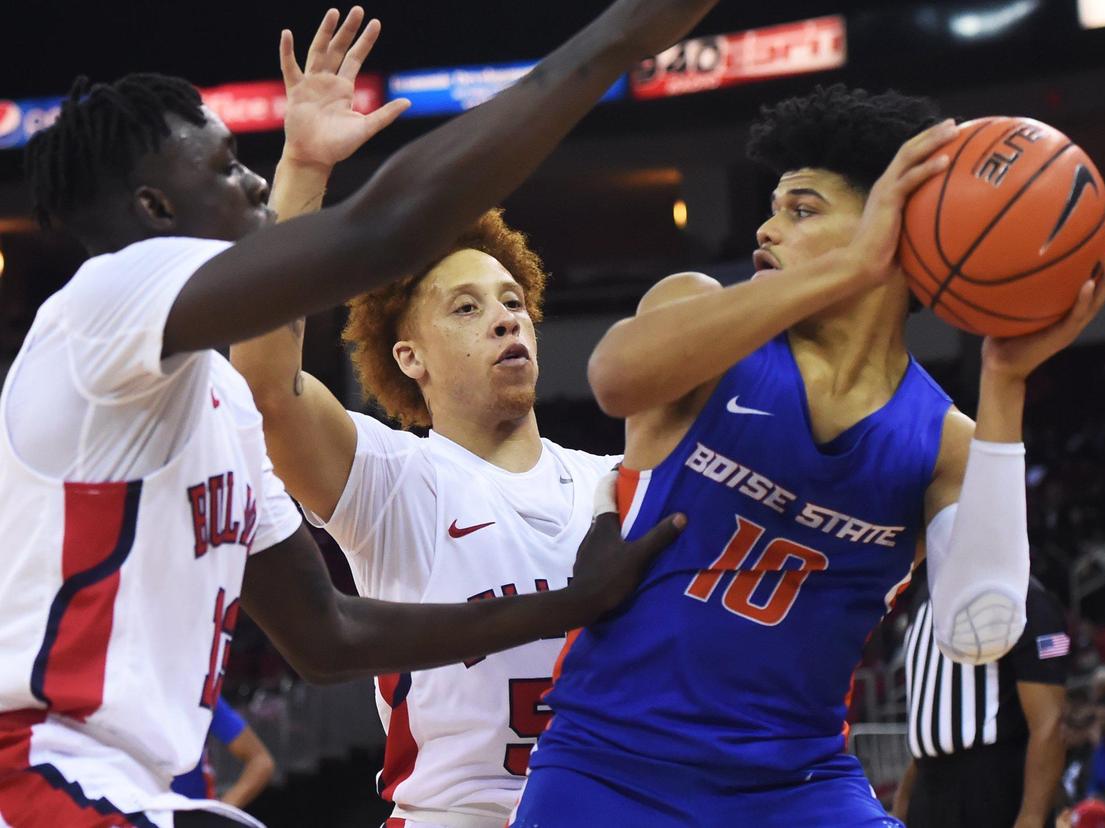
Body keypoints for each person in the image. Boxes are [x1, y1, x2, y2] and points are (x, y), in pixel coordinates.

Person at [0, 2, 718, 826]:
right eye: (228, 165)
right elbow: (382, 234)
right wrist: (618, 37)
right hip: (38, 771)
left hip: (134, 791)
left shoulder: (220, 406)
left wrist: (567, 605)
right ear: (158, 210)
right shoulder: (102, 306)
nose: (255, 181)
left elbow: (328, 635)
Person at [511, 85, 1105, 827]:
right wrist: (850, 266)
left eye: (802, 210)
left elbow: (978, 628)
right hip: (612, 763)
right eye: (774, 207)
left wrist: (1004, 383)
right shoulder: (702, 315)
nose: (767, 228)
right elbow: (613, 378)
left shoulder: (946, 440)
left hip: (796, 785)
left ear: (895, 232)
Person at [231, 205, 619, 827]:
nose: (503, 320)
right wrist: (302, 166)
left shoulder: (619, 481)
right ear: (411, 358)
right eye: (467, 308)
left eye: (513, 302)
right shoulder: (396, 479)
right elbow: (265, 391)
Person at [892, 574, 1070, 828]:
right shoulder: (924, 596)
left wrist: (1032, 817)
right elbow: (935, 723)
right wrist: (904, 799)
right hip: (927, 785)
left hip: (992, 785)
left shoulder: (1027, 597)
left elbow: (1051, 724)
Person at [172, 698, 275, 809]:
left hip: (192, 812)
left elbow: (261, 760)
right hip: (154, 808)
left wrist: (222, 812)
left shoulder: (199, 694)